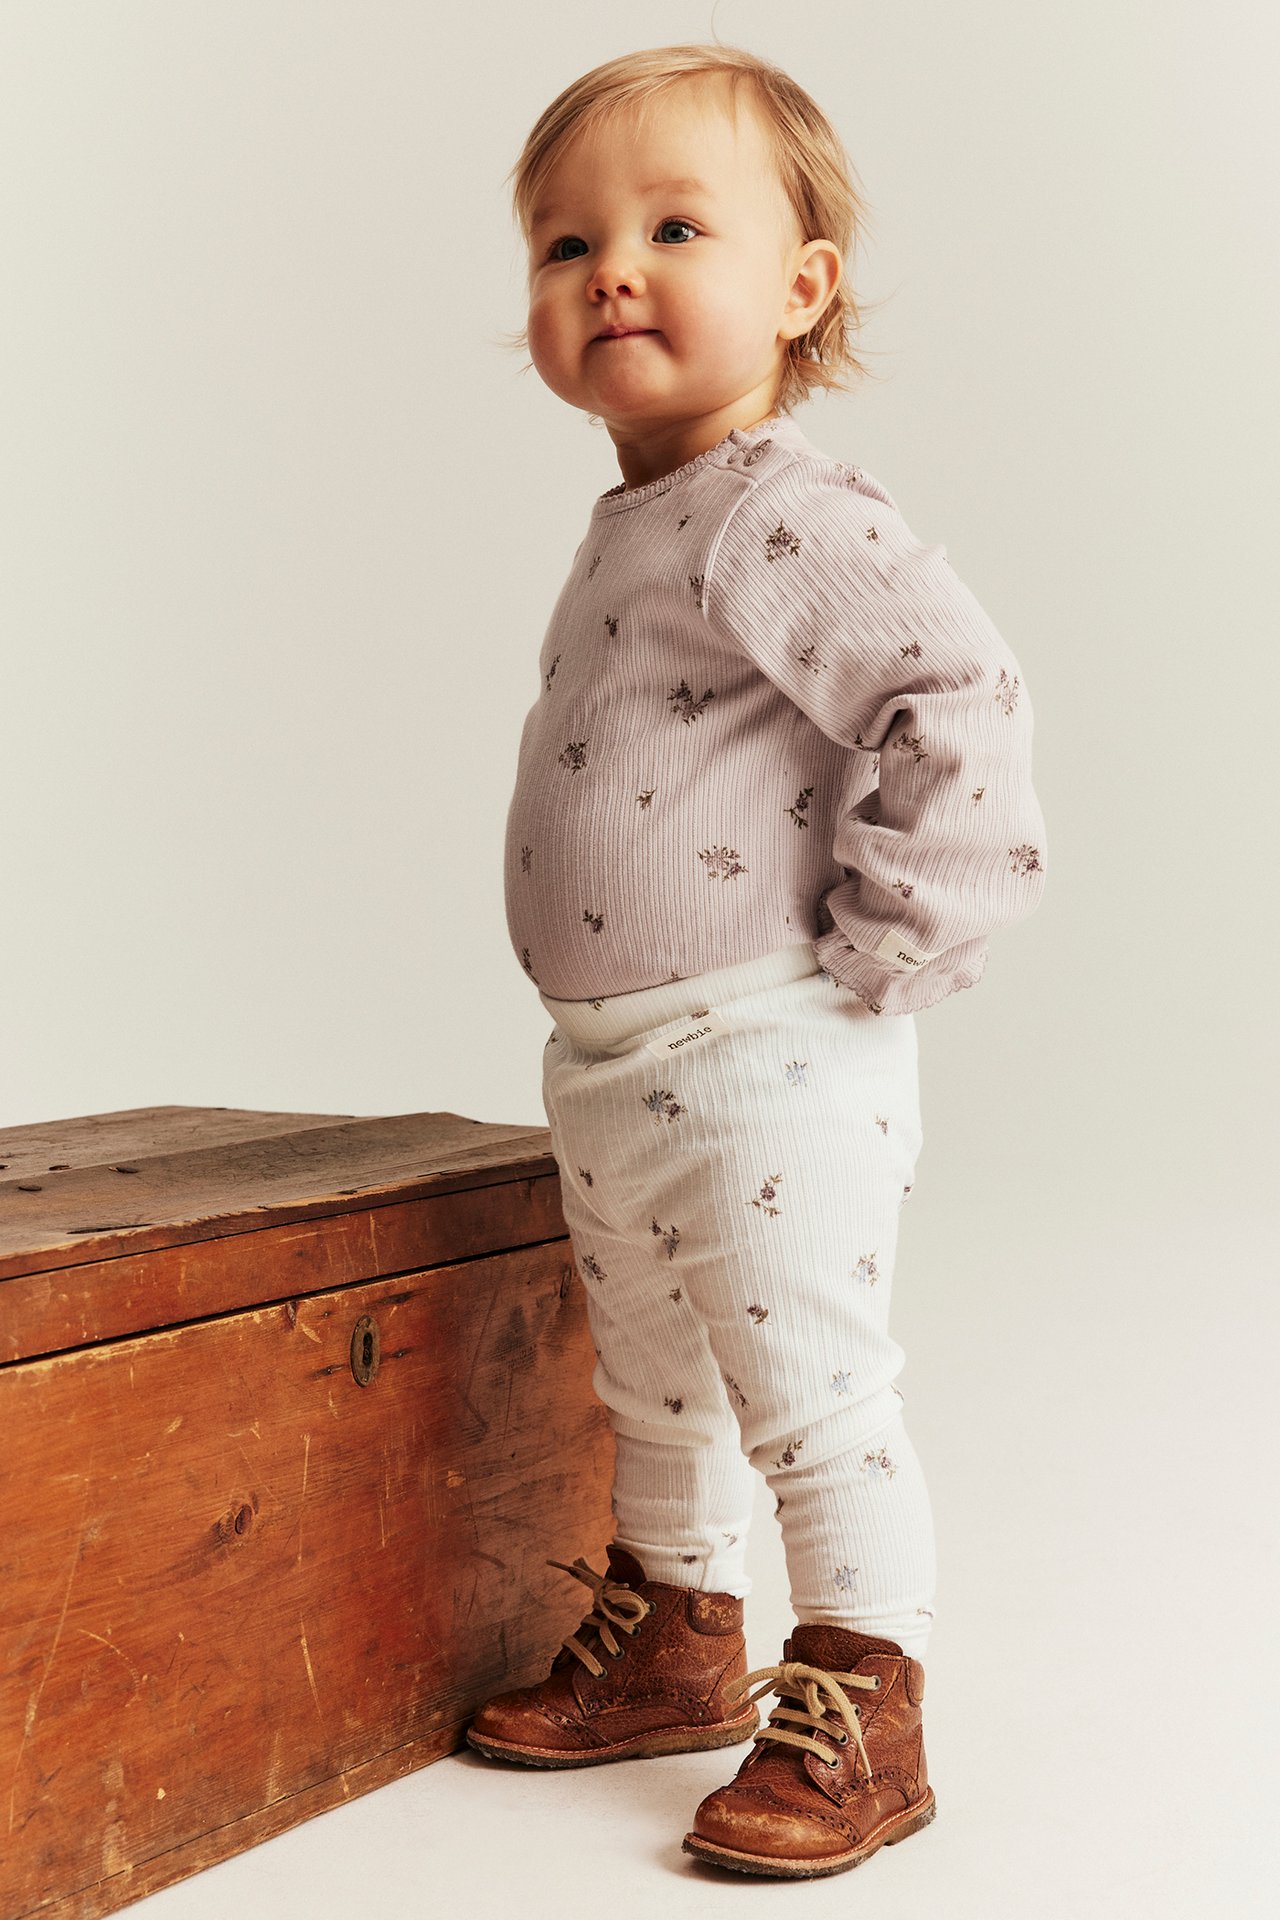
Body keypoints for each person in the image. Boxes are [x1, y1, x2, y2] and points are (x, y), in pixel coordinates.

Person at [466, 42, 1048, 1881]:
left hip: (768, 1050)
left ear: (802, 289)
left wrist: (899, 940)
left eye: (673, 229)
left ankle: (869, 1701)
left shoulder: (778, 508)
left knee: (811, 1395)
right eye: (567, 245)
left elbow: (959, 692)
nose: (609, 272)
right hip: (614, 1065)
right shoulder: (640, 517)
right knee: (650, 1385)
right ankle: (675, 1636)